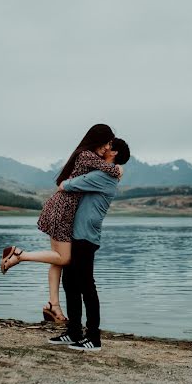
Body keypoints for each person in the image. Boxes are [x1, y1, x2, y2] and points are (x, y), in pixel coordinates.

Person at [1, 124, 122, 324]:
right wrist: (119, 168)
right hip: (63, 210)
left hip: (61, 207)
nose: (108, 147)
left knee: (56, 259)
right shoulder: (86, 155)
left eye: (110, 144)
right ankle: (19, 255)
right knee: (64, 259)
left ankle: (53, 307)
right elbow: (110, 169)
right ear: (98, 139)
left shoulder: (85, 155)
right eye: (107, 142)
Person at [48, 137, 130, 351]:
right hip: (78, 236)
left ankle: (93, 337)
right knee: (71, 283)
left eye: (109, 145)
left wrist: (64, 184)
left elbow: (69, 185)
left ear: (114, 153)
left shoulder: (103, 176)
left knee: (86, 286)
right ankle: (74, 332)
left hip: (86, 237)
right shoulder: (107, 173)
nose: (104, 147)